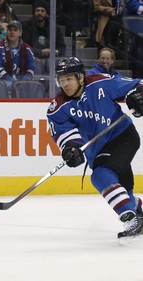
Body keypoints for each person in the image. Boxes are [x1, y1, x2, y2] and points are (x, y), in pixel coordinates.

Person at [47, 56, 143, 241]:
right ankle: (137, 208)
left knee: (101, 175)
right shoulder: (58, 107)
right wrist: (71, 148)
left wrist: (139, 94)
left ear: (81, 77)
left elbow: (136, 85)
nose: (65, 84)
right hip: (97, 150)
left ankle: (130, 218)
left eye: (69, 78)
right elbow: (63, 134)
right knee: (122, 188)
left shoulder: (99, 83)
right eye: (61, 79)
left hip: (123, 136)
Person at [0, 20, 35, 88]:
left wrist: (25, 80)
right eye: (10, 30)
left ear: (20, 33)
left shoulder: (27, 49)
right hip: (3, 83)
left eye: (15, 30)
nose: (12, 32)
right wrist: (12, 81)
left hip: (23, 83)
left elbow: (31, 67)